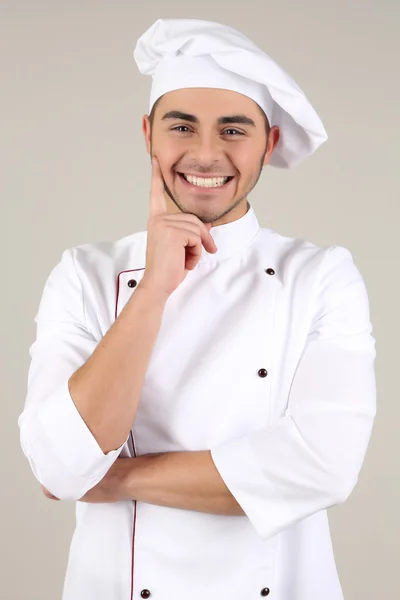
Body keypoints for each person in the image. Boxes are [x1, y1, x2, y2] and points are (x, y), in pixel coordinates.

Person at [18, 18, 377, 600]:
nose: (206, 154)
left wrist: (115, 477)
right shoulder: (83, 275)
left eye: (233, 130)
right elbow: (59, 469)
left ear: (270, 142)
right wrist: (155, 287)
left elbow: (321, 465)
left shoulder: (320, 276)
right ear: (147, 135)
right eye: (181, 126)